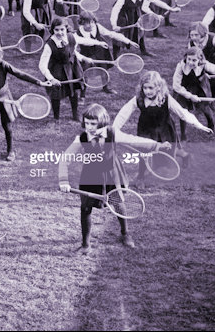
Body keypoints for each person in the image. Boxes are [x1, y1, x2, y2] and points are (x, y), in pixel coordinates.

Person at [58, 103, 172, 252]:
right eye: (87, 123)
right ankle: (86, 244)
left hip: (112, 175)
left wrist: (157, 146)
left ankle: (125, 233)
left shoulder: (113, 133)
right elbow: (64, 159)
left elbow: (134, 140)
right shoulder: (81, 138)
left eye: (93, 123)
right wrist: (63, 180)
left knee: (118, 203)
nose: (89, 127)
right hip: (90, 176)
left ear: (103, 122)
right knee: (86, 209)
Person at [113, 71, 213, 178]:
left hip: (164, 129)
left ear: (159, 87)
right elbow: (124, 113)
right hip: (146, 130)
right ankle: (141, 176)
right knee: (143, 152)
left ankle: (185, 155)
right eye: (145, 88)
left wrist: (199, 125)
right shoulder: (138, 99)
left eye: (151, 88)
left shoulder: (166, 99)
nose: (147, 91)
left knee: (167, 151)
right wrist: (114, 129)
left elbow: (182, 113)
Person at [0, 40, 52, 162]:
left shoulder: (3, 65)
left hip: (4, 99)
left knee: (7, 126)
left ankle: (10, 150)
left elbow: (20, 74)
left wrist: (39, 82)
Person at [39, 17, 106, 122]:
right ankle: (56, 116)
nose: (60, 32)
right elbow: (42, 65)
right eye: (56, 30)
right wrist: (51, 79)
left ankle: (75, 114)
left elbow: (79, 46)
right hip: (56, 70)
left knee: (73, 91)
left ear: (66, 29)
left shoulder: (71, 37)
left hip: (71, 68)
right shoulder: (49, 45)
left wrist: (97, 44)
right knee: (56, 93)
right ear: (52, 30)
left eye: (62, 29)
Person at [110, 0, 181, 58]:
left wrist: (169, 9)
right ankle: (115, 55)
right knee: (119, 33)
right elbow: (116, 9)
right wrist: (114, 24)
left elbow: (150, 4)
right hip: (122, 13)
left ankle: (143, 50)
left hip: (135, 11)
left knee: (140, 30)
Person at [75, 11, 139, 97]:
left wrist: (128, 41)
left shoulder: (97, 27)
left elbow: (111, 34)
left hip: (100, 52)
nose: (91, 25)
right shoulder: (77, 33)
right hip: (87, 54)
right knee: (85, 73)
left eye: (92, 22)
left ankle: (105, 87)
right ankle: (82, 95)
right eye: (87, 23)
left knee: (104, 69)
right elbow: (75, 48)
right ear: (81, 23)